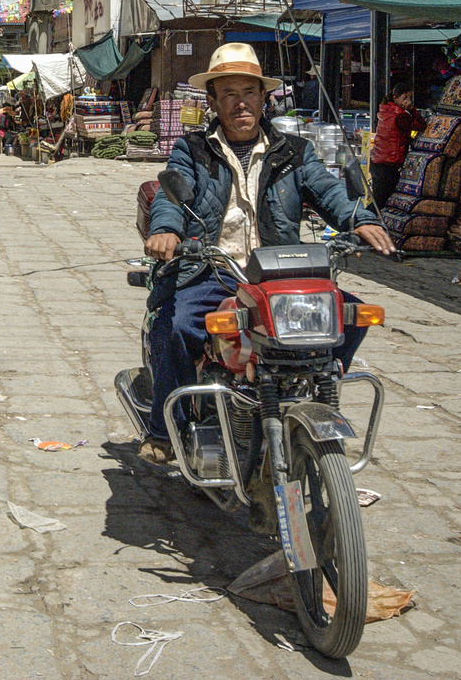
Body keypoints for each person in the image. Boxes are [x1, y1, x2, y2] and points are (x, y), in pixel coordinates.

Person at [140, 43, 395, 466]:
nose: (240, 102)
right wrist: (166, 229)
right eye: (229, 93)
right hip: (212, 270)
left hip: (278, 275)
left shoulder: (294, 152)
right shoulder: (192, 150)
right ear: (213, 101)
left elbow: (328, 190)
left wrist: (358, 218)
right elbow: (172, 192)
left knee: (351, 314)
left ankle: (319, 393)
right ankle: (164, 431)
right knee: (181, 329)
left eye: (249, 92)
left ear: (264, 98)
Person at [370, 82, 426, 207]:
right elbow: (421, 125)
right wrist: (412, 109)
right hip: (389, 164)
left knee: (379, 199)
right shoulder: (401, 116)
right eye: (405, 98)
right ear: (395, 97)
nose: (408, 101)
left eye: (410, 98)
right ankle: (360, 221)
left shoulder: (385, 110)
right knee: (380, 202)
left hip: (377, 161)